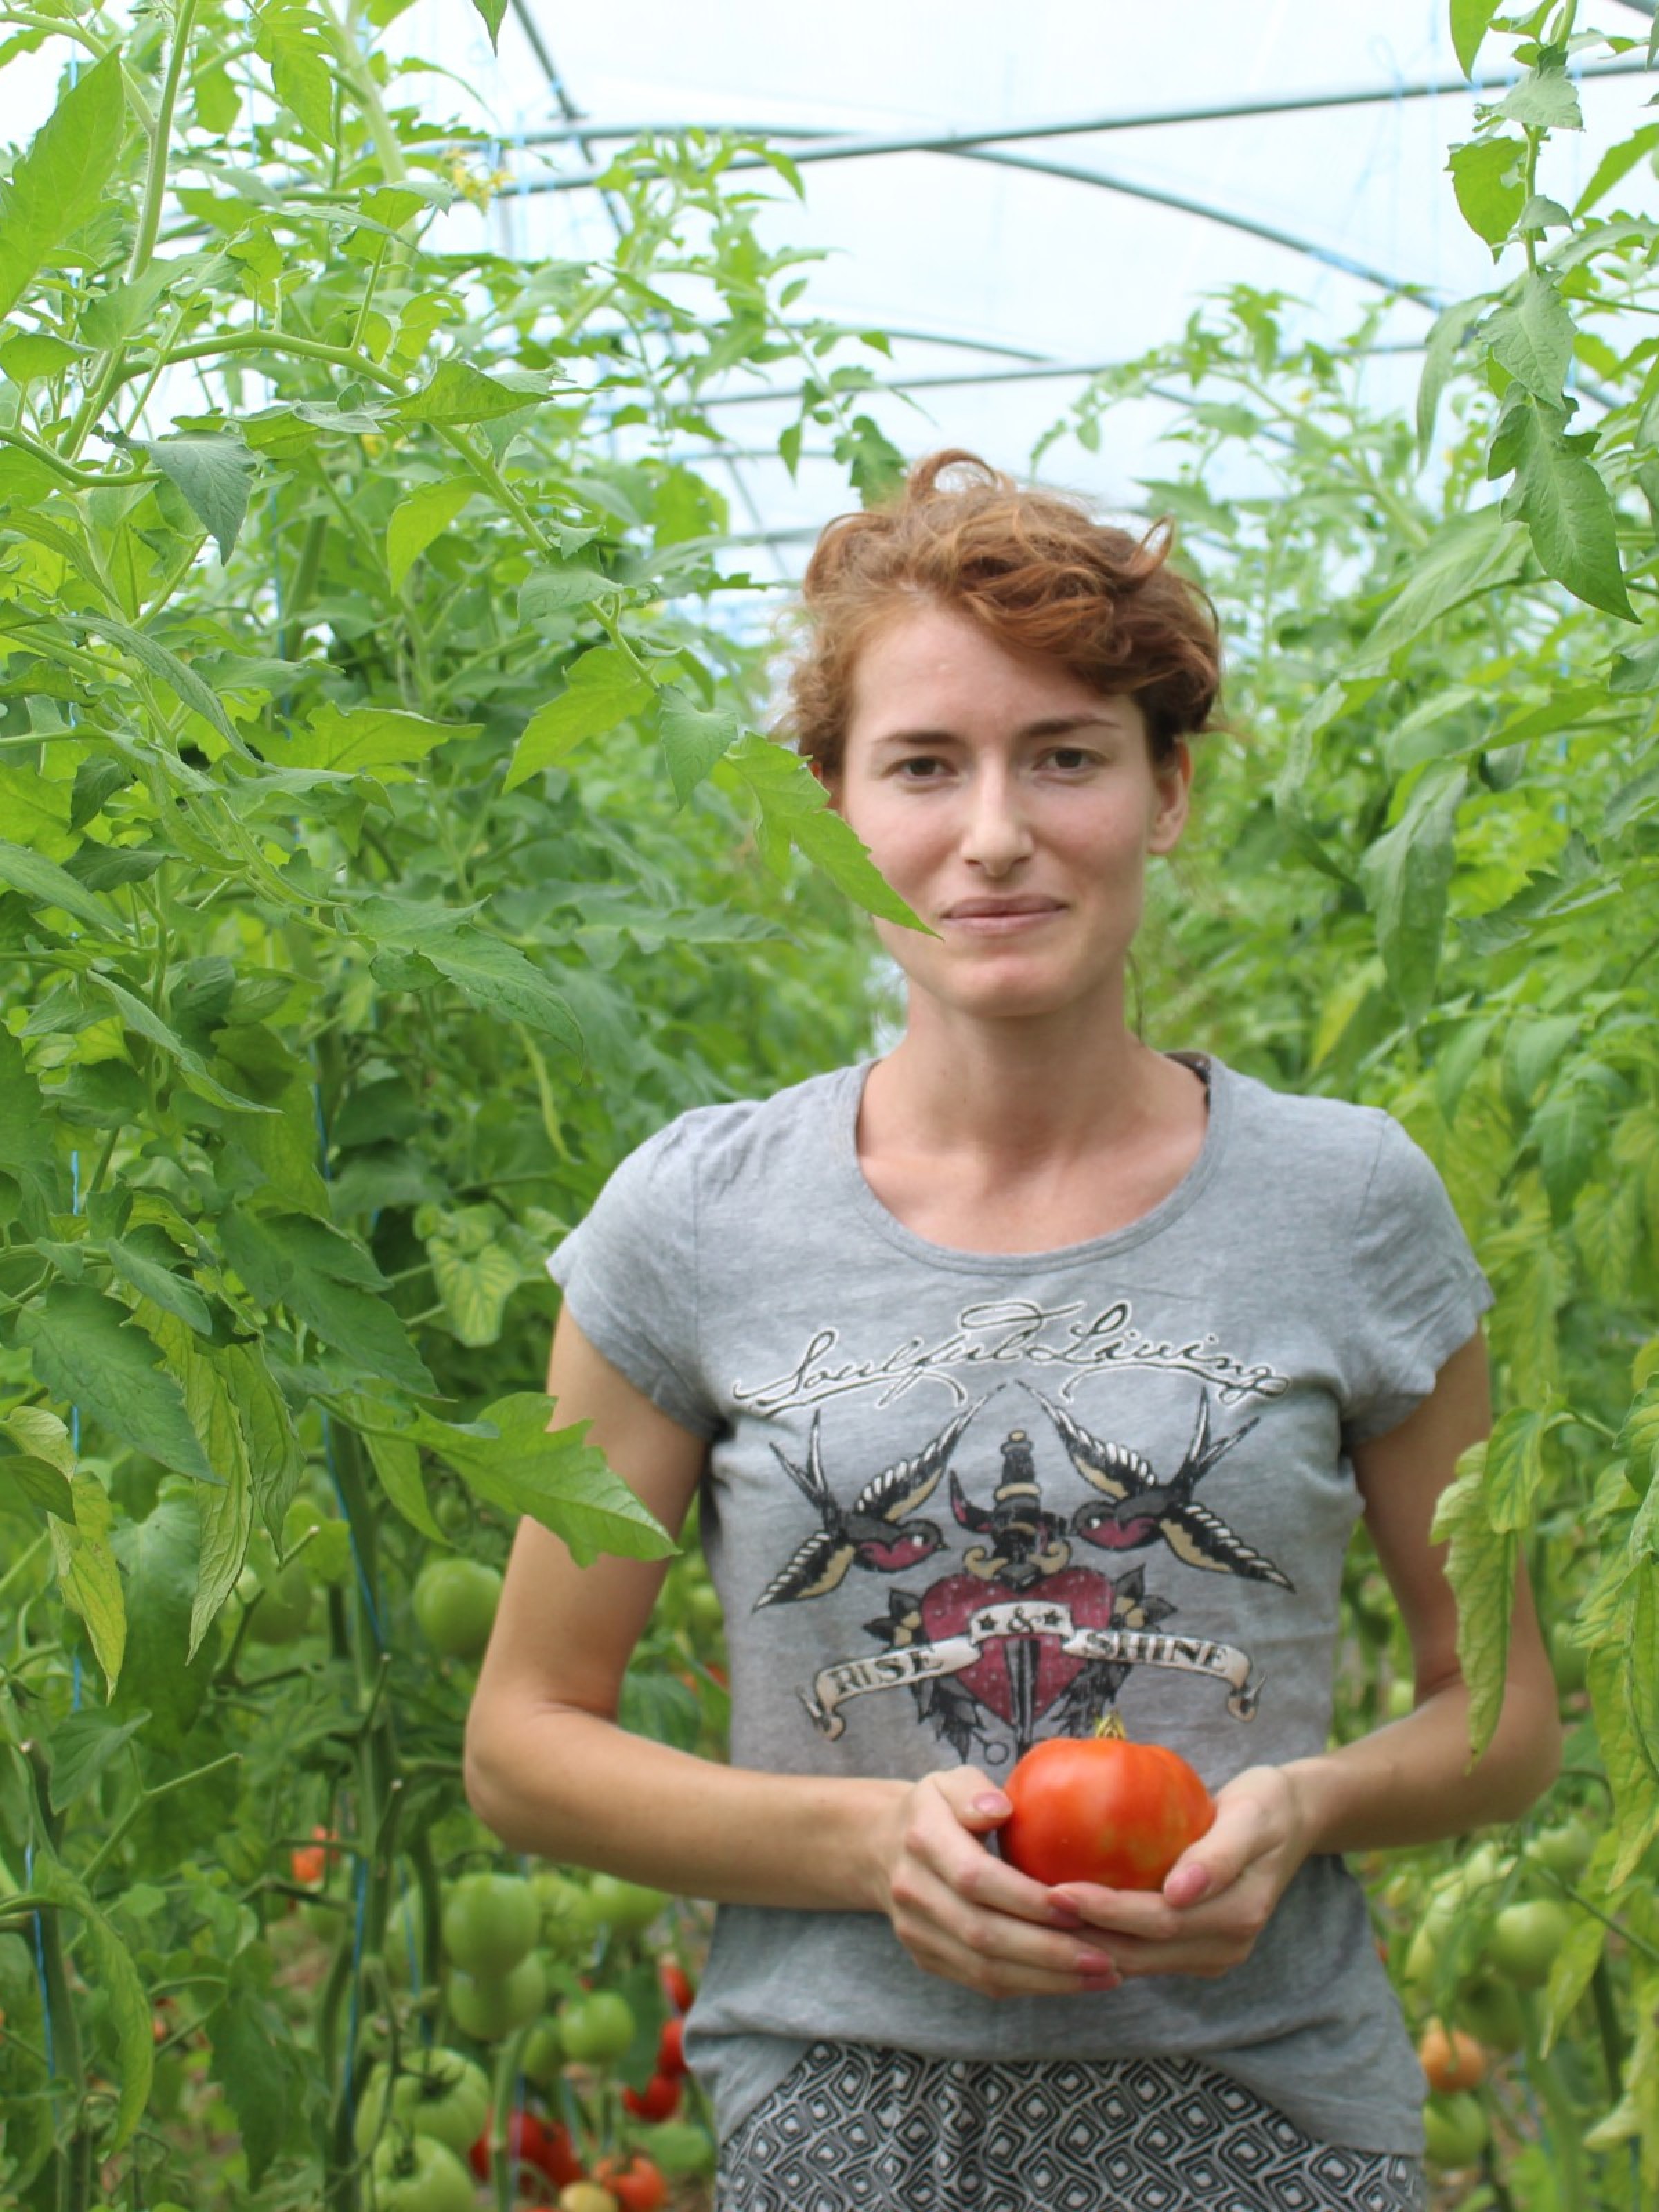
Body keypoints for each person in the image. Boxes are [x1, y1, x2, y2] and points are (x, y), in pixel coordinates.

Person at [465, 451, 1562, 2212]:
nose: (995, 832)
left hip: (1265, 2119)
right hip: (838, 2122)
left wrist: (1303, 1807)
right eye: (923, 763)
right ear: (834, 806)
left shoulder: (1348, 1200)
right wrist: (860, 1837)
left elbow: (1500, 1715)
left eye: (1065, 754)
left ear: (1165, 790)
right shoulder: (696, 1216)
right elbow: (523, 1737)